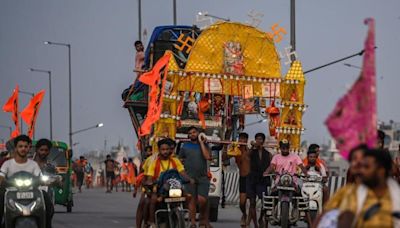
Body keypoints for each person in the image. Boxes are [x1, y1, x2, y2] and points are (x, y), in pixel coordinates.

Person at [0, 135, 51, 227]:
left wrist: (47, 181)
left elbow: (40, 177)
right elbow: (1, 177)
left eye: (25, 146)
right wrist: (3, 181)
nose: (23, 149)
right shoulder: (7, 164)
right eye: (20, 146)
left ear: (29, 148)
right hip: (11, 192)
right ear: (16, 148)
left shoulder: (33, 165)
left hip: (32, 193)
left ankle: (47, 225)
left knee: (46, 198)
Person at [145, 138, 193, 228]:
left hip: (174, 187)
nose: (165, 152)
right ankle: (152, 222)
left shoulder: (175, 161)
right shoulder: (154, 163)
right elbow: (149, 177)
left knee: (188, 196)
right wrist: (150, 181)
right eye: (163, 150)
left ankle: (189, 219)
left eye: (167, 149)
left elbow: (182, 173)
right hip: (159, 188)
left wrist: (189, 179)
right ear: (159, 150)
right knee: (153, 199)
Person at [178, 126, 212, 228]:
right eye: (190, 133)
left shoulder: (205, 144)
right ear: (188, 135)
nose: (192, 134)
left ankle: (203, 219)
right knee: (191, 200)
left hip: (203, 177)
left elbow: (207, 157)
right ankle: (193, 222)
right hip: (190, 177)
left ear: (198, 133)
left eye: (194, 132)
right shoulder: (185, 146)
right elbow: (180, 160)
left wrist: (201, 143)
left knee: (202, 200)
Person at [246, 133, 271, 228]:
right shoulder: (252, 151)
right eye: (257, 139)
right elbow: (247, 156)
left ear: (263, 141)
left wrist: (269, 172)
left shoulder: (268, 154)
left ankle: (261, 218)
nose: (258, 141)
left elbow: (272, 165)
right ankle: (255, 224)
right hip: (252, 178)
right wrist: (252, 146)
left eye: (260, 139)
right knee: (252, 202)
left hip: (263, 180)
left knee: (265, 202)